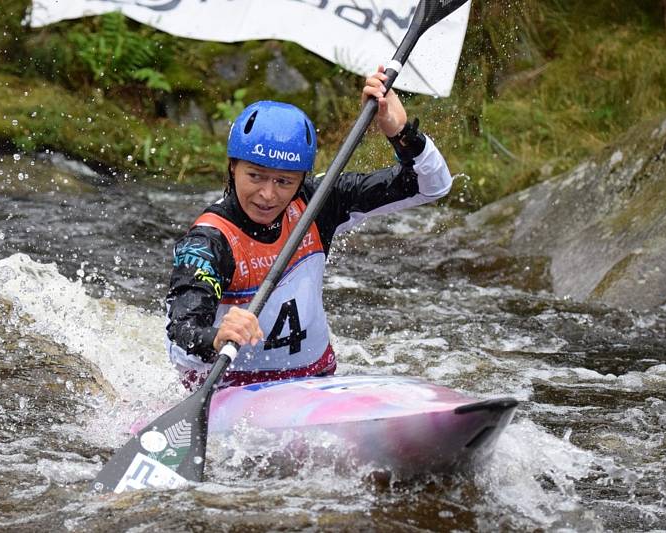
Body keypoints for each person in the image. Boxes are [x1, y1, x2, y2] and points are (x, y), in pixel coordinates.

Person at [165, 66, 453, 391]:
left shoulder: (316, 205)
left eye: (284, 181)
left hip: (313, 384)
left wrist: (400, 132)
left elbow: (432, 186)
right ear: (233, 167)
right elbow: (181, 329)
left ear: (301, 179)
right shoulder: (208, 241)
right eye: (255, 175)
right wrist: (215, 336)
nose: (267, 194)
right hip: (229, 390)